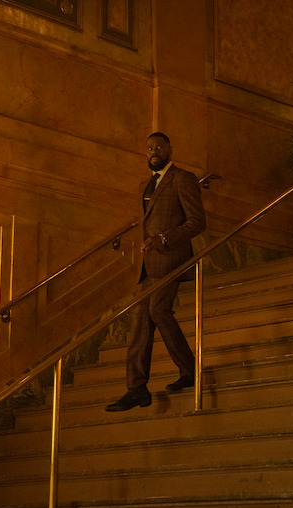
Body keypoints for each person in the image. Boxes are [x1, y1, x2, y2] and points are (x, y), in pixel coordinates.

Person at [106, 132, 206, 412]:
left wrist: (164, 238)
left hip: (171, 259)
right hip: (146, 265)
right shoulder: (143, 185)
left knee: (158, 311)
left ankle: (190, 371)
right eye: (149, 147)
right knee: (140, 321)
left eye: (159, 146)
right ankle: (137, 388)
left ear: (170, 149)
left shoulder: (183, 178)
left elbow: (197, 222)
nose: (154, 151)